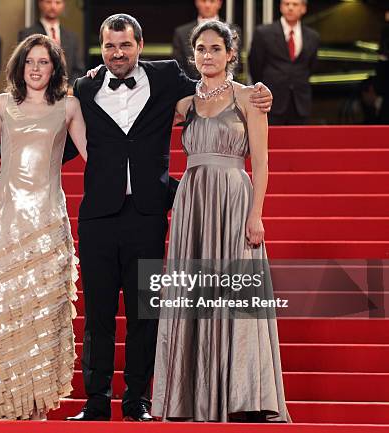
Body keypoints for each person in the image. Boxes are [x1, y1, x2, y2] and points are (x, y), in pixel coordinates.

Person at [65, 13, 273, 422]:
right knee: (99, 313)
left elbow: (238, 117)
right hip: (100, 215)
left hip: (149, 212)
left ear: (141, 45)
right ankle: (96, 401)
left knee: (146, 311)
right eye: (110, 46)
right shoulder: (86, 86)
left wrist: (261, 90)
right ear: (101, 47)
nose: (118, 53)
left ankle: (138, 401)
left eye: (125, 45)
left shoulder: (167, 80)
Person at [152, 20, 290, 422]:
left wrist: (256, 214)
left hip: (233, 198)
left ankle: (245, 398)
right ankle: (185, 398)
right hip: (192, 200)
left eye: (215, 49)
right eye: (200, 50)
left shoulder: (250, 98)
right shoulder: (183, 103)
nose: (207, 56)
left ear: (231, 54)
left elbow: (261, 163)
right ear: (192, 55)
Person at [0, 34, 88, 421]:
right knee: (0, 309)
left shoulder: (69, 106)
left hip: (45, 217)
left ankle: (31, 404)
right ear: (19, 65)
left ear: (54, 67)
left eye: (43, 62)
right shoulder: (1, 105)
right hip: (4, 215)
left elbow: (97, 155)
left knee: (40, 310)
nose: (35, 68)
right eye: (29, 61)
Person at [249, 0, 319, 125]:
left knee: (299, 142)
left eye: (295, 4)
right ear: (281, 7)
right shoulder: (264, 33)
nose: (290, 8)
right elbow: (255, 65)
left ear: (303, 8)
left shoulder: (313, 36)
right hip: (271, 102)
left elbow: (311, 66)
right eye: (287, 4)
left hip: (300, 103)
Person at [18, 0, 85, 87]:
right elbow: (22, 66)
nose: (53, 7)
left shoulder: (72, 37)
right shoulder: (27, 34)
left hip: (67, 92)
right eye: (48, 2)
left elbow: (78, 68)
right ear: (40, 4)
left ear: (63, 5)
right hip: (37, 90)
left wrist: (70, 87)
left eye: (57, 2)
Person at [172, 0, 240, 80]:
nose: (207, 5)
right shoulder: (181, 33)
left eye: (212, 1)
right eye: (203, 0)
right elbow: (179, 66)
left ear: (219, 3)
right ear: (197, 2)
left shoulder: (233, 31)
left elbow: (236, 65)